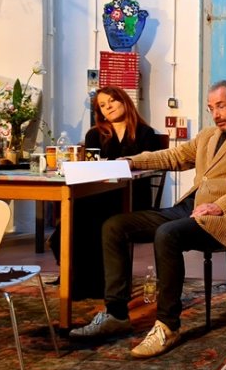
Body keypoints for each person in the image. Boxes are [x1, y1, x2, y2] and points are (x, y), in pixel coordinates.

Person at [69, 79, 226, 359]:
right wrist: (130, 161)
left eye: (221, 106)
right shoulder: (207, 136)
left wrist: (220, 206)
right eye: (211, 108)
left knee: (168, 233)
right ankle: (116, 314)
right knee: (115, 226)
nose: (216, 114)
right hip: (190, 207)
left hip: (225, 217)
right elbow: (174, 156)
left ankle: (168, 326)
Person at [49, 86, 163, 299]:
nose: (108, 107)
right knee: (79, 214)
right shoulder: (94, 134)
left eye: (112, 101)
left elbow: (151, 164)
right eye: (102, 105)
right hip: (101, 194)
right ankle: (84, 282)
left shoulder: (145, 133)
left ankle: (94, 283)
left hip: (133, 195)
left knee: (88, 215)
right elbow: (93, 167)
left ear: (124, 101)